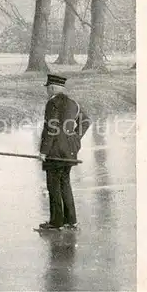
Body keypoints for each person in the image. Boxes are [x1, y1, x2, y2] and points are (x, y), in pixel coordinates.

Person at [38, 74, 91, 230]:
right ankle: (71, 220)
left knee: (54, 185)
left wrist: (43, 151)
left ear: (53, 88)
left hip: (54, 152)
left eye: (48, 88)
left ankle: (56, 222)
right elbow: (86, 121)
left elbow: (51, 129)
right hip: (69, 152)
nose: (47, 91)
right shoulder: (73, 103)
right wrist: (75, 138)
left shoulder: (52, 103)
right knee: (65, 184)